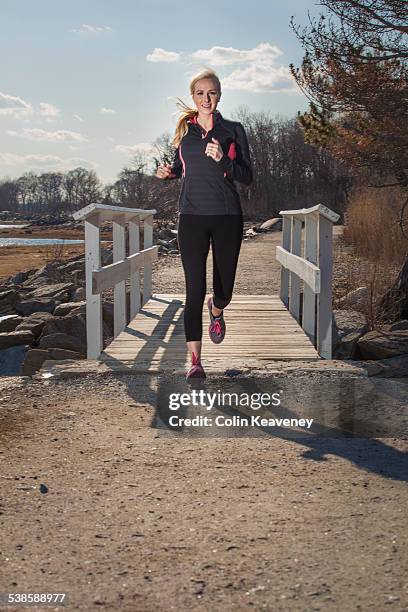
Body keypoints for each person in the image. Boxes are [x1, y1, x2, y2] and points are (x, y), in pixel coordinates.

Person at [156, 68, 253, 379]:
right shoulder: (186, 134)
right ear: (193, 97)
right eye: (200, 93)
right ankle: (195, 362)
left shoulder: (234, 131)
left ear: (219, 95)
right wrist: (166, 173)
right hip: (191, 218)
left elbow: (247, 176)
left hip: (227, 217)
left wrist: (223, 159)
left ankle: (218, 308)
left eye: (211, 92)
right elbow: (177, 168)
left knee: (224, 290)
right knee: (193, 290)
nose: (206, 98)